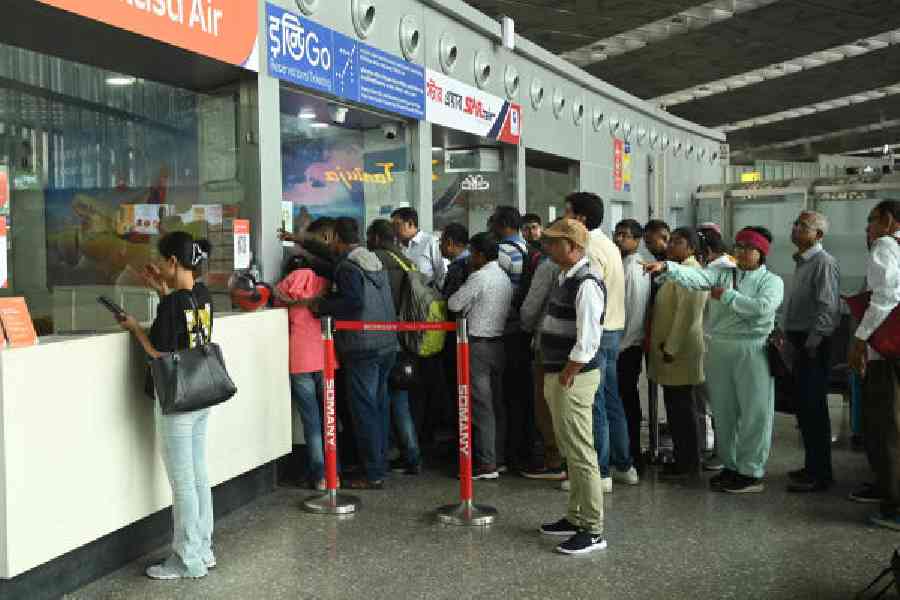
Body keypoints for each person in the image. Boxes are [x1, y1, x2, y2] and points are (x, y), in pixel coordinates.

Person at [645, 227, 784, 494]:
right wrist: (668, 268)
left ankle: (751, 471)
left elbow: (761, 309)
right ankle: (731, 466)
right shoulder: (721, 273)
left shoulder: (772, 282)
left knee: (755, 411)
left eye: (748, 248)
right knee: (723, 411)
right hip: (719, 347)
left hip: (752, 349)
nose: (741, 252)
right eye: (739, 246)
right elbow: (697, 277)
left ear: (761, 253)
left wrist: (727, 296)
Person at [118, 232, 217, 579]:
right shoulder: (201, 296)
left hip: (177, 399)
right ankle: (203, 548)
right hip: (201, 394)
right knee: (199, 474)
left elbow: (159, 353)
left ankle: (186, 560)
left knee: (183, 482)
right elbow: (185, 328)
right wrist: (162, 292)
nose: (160, 267)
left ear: (173, 262)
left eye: (162, 261)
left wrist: (134, 328)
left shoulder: (175, 304)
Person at [537, 219, 608, 555]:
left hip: (573, 377)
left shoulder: (587, 283)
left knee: (581, 453)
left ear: (574, 247)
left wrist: (567, 373)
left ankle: (593, 529)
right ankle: (575, 515)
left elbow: (589, 340)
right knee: (571, 450)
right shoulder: (565, 277)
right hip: (561, 374)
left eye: (555, 242)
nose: (549, 247)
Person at [314, 217, 400, 490]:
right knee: (378, 406)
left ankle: (372, 472)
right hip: (386, 343)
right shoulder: (372, 259)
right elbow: (332, 261)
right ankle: (379, 464)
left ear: (337, 239)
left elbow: (353, 302)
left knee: (364, 410)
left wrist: (322, 305)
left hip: (363, 347)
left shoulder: (349, 267)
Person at [565, 192, 636, 489]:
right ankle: (623, 465)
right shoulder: (608, 243)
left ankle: (601, 472)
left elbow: (591, 298)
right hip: (613, 330)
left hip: (598, 332)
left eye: (568, 213)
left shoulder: (589, 248)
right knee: (611, 400)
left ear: (581, 218)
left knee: (594, 404)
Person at [848, 200, 900, 529]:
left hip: (887, 350)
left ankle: (894, 505)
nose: (867, 228)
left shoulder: (886, 244)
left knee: (885, 426)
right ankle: (885, 486)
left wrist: (860, 338)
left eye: (871, 220)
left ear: (888, 220)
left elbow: (887, 293)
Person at [783, 211, 840, 493]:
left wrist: (811, 345)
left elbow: (828, 308)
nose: (795, 229)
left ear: (818, 235)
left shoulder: (823, 262)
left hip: (813, 343)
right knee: (804, 408)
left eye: (802, 226)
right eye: (795, 224)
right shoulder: (803, 262)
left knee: (814, 408)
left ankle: (821, 474)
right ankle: (812, 466)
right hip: (800, 340)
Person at [448, 232, 513, 479]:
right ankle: (499, 457)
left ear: (480, 255)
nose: (469, 258)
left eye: (472, 253)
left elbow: (454, 304)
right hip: (498, 344)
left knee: (481, 407)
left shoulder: (480, 277)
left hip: (477, 347)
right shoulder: (503, 277)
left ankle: (486, 464)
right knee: (497, 405)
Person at [648, 227, 708, 479]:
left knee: (683, 409)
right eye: (671, 241)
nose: (671, 245)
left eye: (678, 242)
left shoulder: (691, 273)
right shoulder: (677, 269)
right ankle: (684, 459)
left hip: (679, 351)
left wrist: (671, 348)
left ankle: (688, 464)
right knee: (676, 407)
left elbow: (687, 317)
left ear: (692, 248)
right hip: (671, 350)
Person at [366, 219, 422, 475]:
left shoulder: (374, 261)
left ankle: (388, 453)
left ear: (376, 238)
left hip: (383, 339)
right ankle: (411, 454)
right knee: (401, 400)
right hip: (407, 339)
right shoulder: (406, 260)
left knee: (383, 399)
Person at [274, 256, 334, 491]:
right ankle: (333, 473)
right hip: (325, 355)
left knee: (311, 421)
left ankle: (319, 475)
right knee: (329, 417)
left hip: (299, 358)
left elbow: (275, 302)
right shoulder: (324, 282)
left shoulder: (287, 283)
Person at [491, 205, 539, 472]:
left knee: (507, 395)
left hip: (506, 329)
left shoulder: (502, 252)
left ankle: (509, 451)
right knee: (523, 393)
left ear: (500, 225)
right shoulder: (527, 251)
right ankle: (524, 448)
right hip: (523, 329)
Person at [695, 226, 735, 471]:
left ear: (706, 251)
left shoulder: (715, 270)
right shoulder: (731, 265)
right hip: (722, 340)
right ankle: (723, 450)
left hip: (712, 340)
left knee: (717, 401)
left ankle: (722, 453)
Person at [613, 219, 650, 468]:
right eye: (617, 234)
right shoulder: (623, 264)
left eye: (625, 235)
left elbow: (634, 310)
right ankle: (627, 451)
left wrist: (621, 345)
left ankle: (631, 453)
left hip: (627, 346)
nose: (619, 239)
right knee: (624, 399)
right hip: (624, 344)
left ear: (637, 240)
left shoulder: (634, 268)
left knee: (626, 400)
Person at [391, 207, 446, 288]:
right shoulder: (395, 247)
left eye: (397, 225)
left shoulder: (431, 242)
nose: (394, 229)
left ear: (410, 223)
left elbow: (442, 274)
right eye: (392, 226)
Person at [440, 222, 470, 302]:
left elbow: (448, 301)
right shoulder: (470, 261)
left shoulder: (457, 268)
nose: (440, 245)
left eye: (442, 241)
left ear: (449, 243)